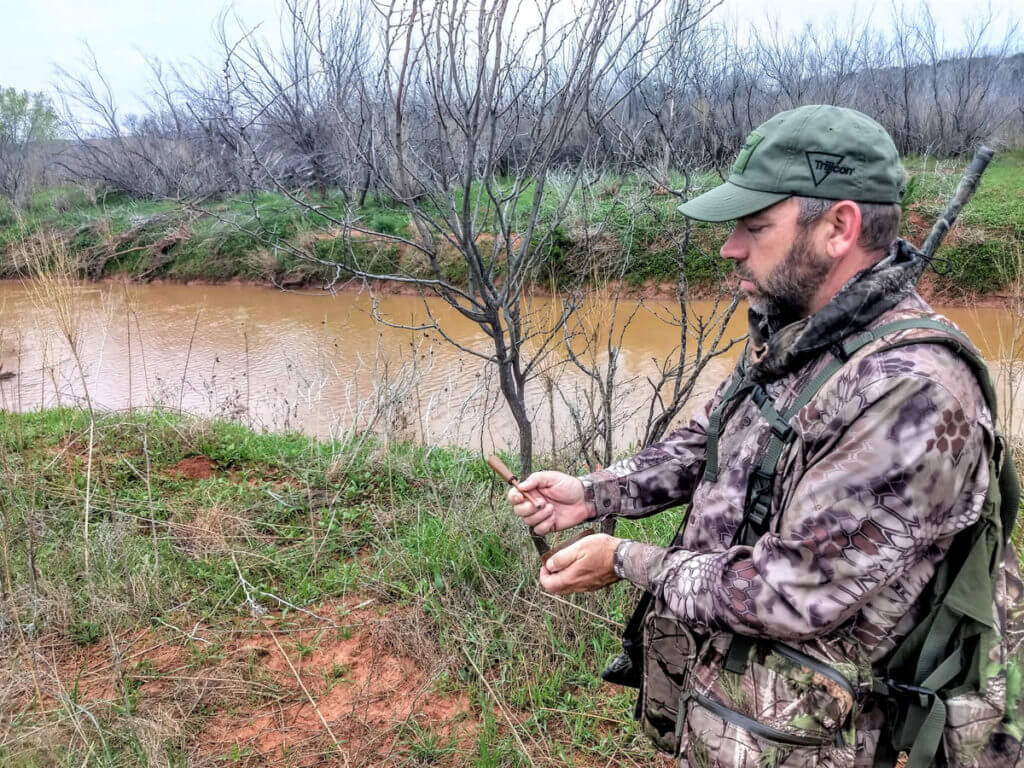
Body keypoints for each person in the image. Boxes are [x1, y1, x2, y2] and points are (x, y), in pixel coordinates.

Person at [506, 105, 1023, 767]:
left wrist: (624, 560)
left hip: (832, 737)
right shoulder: (802, 330)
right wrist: (593, 492)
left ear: (839, 226)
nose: (731, 248)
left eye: (755, 227)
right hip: (743, 718)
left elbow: (790, 589)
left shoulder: (913, 392)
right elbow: (717, 438)